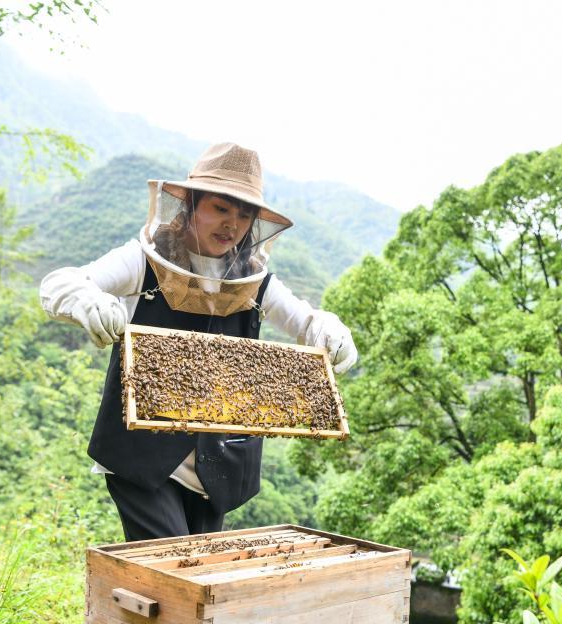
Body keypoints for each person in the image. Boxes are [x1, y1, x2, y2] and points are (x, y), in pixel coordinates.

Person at [39, 142, 358, 542]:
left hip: (217, 472)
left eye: (244, 215)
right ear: (189, 206)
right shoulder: (142, 262)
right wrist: (86, 301)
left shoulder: (254, 282)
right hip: (143, 460)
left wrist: (331, 331)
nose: (232, 224)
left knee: (195, 589)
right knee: (177, 572)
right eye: (220, 208)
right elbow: (60, 284)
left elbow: (306, 321)